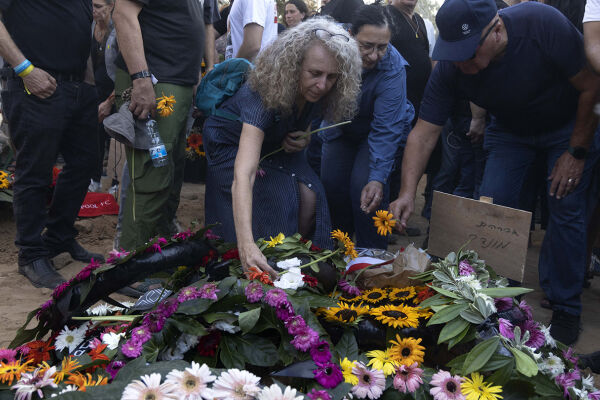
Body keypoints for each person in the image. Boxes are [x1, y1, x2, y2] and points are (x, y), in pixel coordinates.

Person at [390, 0, 600, 345]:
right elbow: (424, 132)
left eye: (469, 52)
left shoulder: (541, 24)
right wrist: (407, 192)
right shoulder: (451, 68)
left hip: (566, 127)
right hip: (510, 131)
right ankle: (493, 299)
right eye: (454, 52)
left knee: (565, 206)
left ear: (497, 31)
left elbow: (592, 86)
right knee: (493, 205)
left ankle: (566, 307)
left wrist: (576, 153)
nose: (462, 62)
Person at [203, 17, 361, 276]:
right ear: (293, 66)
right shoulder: (262, 94)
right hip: (230, 143)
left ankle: (291, 259)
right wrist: (246, 245)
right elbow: (244, 175)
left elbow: (304, 121)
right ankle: (256, 254)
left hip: (273, 143)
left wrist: (303, 136)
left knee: (312, 196)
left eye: (332, 77)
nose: (322, 85)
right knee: (274, 202)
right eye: (315, 74)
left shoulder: (320, 89)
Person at [0, 0, 104, 288]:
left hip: (77, 87)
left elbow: (79, 31)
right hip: (32, 85)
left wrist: (88, 85)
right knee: (35, 171)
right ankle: (31, 254)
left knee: (85, 164)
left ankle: (58, 238)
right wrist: (25, 69)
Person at [112, 0, 218, 250]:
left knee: (169, 172)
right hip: (154, 82)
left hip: (175, 83)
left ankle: (157, 254)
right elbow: (124, 14)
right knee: (152, 174)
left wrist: (195, 76)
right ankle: (129, 261)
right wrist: (140, 78)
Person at [320, 5, 413, 249]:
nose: (373, 55)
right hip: (340, 125)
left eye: (382, 47)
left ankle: (372, 257)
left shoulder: (393, 69)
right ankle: (338, 251)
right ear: (351, 34)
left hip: (375, 132)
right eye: (366, 46)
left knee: (366, 189)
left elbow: (387, 128)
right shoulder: (331, 47)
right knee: (332, 185)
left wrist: (378, 178)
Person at [89, 0, 116, 193]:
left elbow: (124, 70)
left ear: (111, 5)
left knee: (116, 136)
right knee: (94, 136)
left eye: (98, 6)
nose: (94, 11)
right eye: (92, 6)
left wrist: (109, 101)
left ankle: (116, 182)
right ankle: (94, 178)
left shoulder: (118, 29)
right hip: (95, 89)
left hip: (117, 90)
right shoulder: (90, 26)